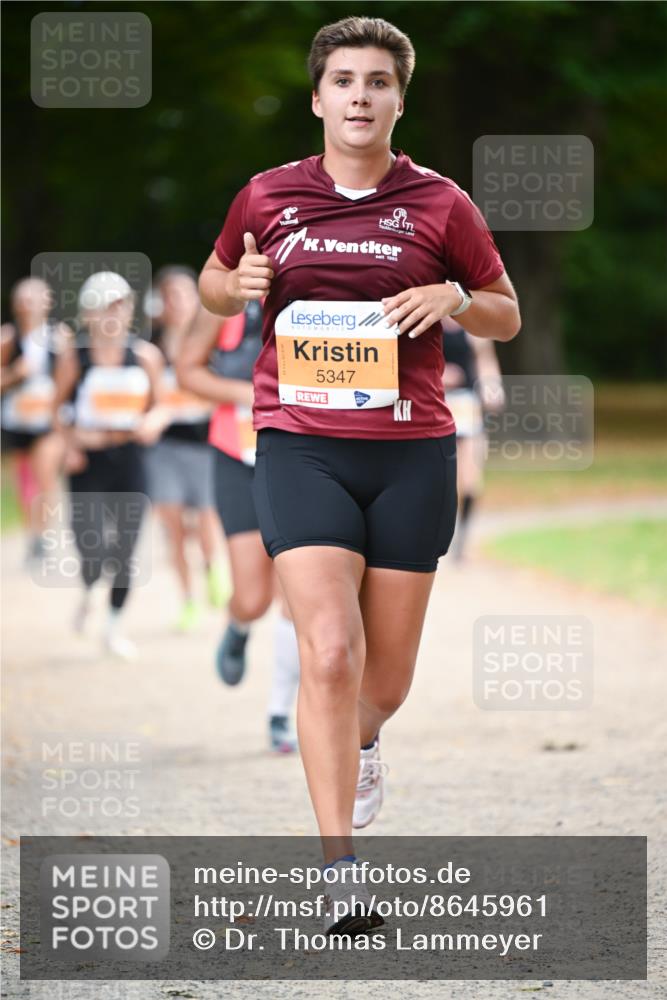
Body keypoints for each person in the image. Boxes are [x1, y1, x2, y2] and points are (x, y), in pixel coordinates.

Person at [198, 16, 520, 934]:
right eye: (343, 80)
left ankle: (365, 735)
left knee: (386, 680)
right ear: (317, 97)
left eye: (377, 82)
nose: (359, 97)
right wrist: (238, 286)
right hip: (300, 443)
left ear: (398, 99)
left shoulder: (440, 203)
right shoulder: (266, 195)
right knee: (329, 652)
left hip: (412, 450)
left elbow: (504, 314)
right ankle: (340, 867)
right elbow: (216, 279)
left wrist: (457, 295)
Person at [177, 300, 301, 753]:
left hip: (301, 459)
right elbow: (187, 371)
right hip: (237, 457)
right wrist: (245, 393)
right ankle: (239, 625)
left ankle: (280, 714)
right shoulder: (226, 302)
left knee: (298, 596)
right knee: (253, 598)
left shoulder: (323, 289)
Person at [52, 271, 164, 659]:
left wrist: (152, 421)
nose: (113, 315)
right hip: (88, 462)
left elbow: (163, 405)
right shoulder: (74, 358)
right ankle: (87, 590)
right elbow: (56, 411)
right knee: (93, 548)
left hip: (131, 458)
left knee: (125, 550)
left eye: (120, 306)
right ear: (88, 315)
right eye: (104, 308)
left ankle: (113, 628)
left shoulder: (146, 356)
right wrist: (69, 445)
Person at [145, 266, 226, 631]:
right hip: (164, 449)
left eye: (182, 294)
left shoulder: (213, 340)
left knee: (208, 518)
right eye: (168, 296)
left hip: (205, 444)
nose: (176, 302)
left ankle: (213, 567)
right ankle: (187, 600)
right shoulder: (150, 347)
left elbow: (221, 390)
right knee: (173, 526)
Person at [1, 278, 68, 561]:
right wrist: (16, 374)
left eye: (35, 298)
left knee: (46, 476)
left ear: (47, 302)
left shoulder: (60, 336)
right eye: (24, 299)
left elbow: (69, 378)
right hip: (17, 420)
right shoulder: (7, 337)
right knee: (24, 480)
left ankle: (45, 533)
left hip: (49, 419)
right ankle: (33, 534)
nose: (28, 305)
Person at [442, 316, 505, 560]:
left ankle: (463, 538)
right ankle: (438, 535)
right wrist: (440, 374)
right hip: (435, 406)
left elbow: (486, 361)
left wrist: (493, 388)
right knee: (442, 479)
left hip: (468, 408)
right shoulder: (429, 321)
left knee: (471, 479)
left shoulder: (472, 323)